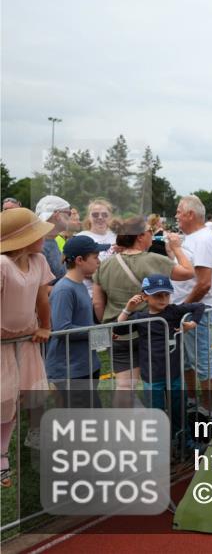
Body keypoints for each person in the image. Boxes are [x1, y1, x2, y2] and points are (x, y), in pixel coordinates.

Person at [92, 216, 194, 400]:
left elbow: (98, 303)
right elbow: (188, 272)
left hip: (119, 332)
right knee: (158, 383)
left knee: (124, 386)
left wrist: (111, 325)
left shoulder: (105, 264)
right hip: (151, 331)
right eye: (149, 231)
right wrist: (177, 248)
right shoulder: (155, 260)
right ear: (140, 236)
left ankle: (122, 426)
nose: (152, 234)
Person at [118, 275, 205, 447]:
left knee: (178, 409)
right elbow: (119, 328)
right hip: (152, 376)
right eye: (158, 295)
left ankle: (184, 440)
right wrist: (128, 309)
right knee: (155, 413)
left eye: (166, 294)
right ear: (145, 296)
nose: (163, 299)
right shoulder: (139, 317)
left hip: (174, 373)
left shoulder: (173, 311)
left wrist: (192, 324)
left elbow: (199, 306)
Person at [0, 208, 54, 487]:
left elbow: (42, 298)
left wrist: (45, 326)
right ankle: (2, 456)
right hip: (3, 342)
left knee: (25, 395)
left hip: (26, 340)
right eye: (36, 232)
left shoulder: (39, 260)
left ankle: (3, 451)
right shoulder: (1, 265)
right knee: (3, 398)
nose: (43, 237)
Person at [172, 195, 212, 425]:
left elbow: (204, 283)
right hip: (187, 309)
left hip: (197, 310)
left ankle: (208, 409)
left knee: (201, 360)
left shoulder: (203, 239)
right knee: (187, 361)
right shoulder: (191, 238)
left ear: (191, 214)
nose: (176, 215)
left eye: (179, 211)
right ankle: (193, 400)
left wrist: (185, 307)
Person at [46, 235, 109, 408]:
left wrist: (102, 335)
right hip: (70, 370)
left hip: (85, 365)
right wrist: (100, 332)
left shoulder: (79, 284)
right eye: (95, 257)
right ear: (80, 260)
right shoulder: (64, 290)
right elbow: (62, 329)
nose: (99, 261)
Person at [35, 195, 72, 283]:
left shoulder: (50, 241)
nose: (70, 217)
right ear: (57, 215)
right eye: (68, 213)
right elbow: (38, 289)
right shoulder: (38, 246)